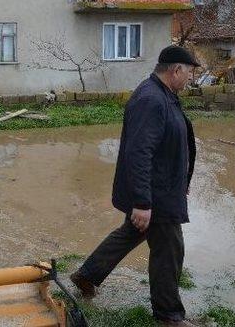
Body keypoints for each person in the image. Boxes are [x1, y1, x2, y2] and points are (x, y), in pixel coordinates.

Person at [70, 46, 199, 327]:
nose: (190, 79)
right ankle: (169, 316)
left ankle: (87, 275)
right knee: (169, 250)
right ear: (176, 70)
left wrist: (181, 183)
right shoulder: (151, 100)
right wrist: (142, 202)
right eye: (189, 73)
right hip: (155, 194)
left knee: (131, 233)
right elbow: (139, 152)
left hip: (163, 189)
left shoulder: (165, 95)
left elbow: (169, 145)